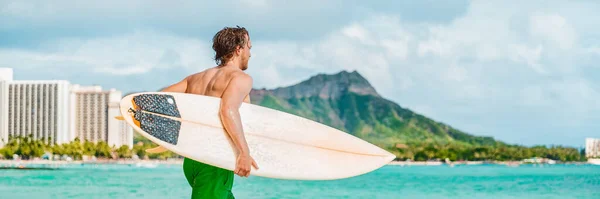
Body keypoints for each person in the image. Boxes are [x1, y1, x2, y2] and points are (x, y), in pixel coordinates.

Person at [146, 26, 259, 199]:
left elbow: (156, 100)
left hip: (192, 159)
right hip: (213, 160)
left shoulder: (194, 79)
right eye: (249, 47)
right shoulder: (240, 78)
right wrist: (244, 153)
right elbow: (228, 110)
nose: (250, 53)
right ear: (238, 49)